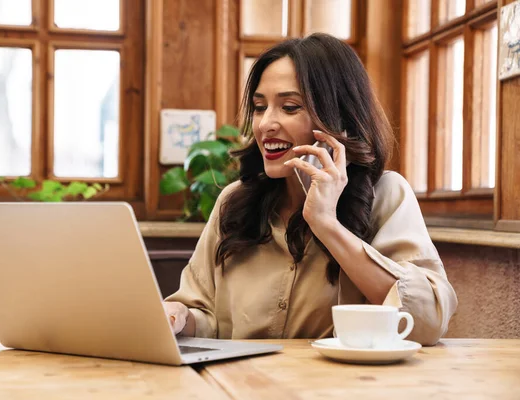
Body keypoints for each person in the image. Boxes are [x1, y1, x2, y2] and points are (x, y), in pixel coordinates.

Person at [163, 33, 457, 345]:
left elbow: (428, 322)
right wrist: (179, 315)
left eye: (289, 107)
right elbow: (205, 314)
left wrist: (327, 225)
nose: (265, 124)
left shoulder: (387, 195)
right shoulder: (233, 202)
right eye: (260, 107)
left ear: (338, 118)